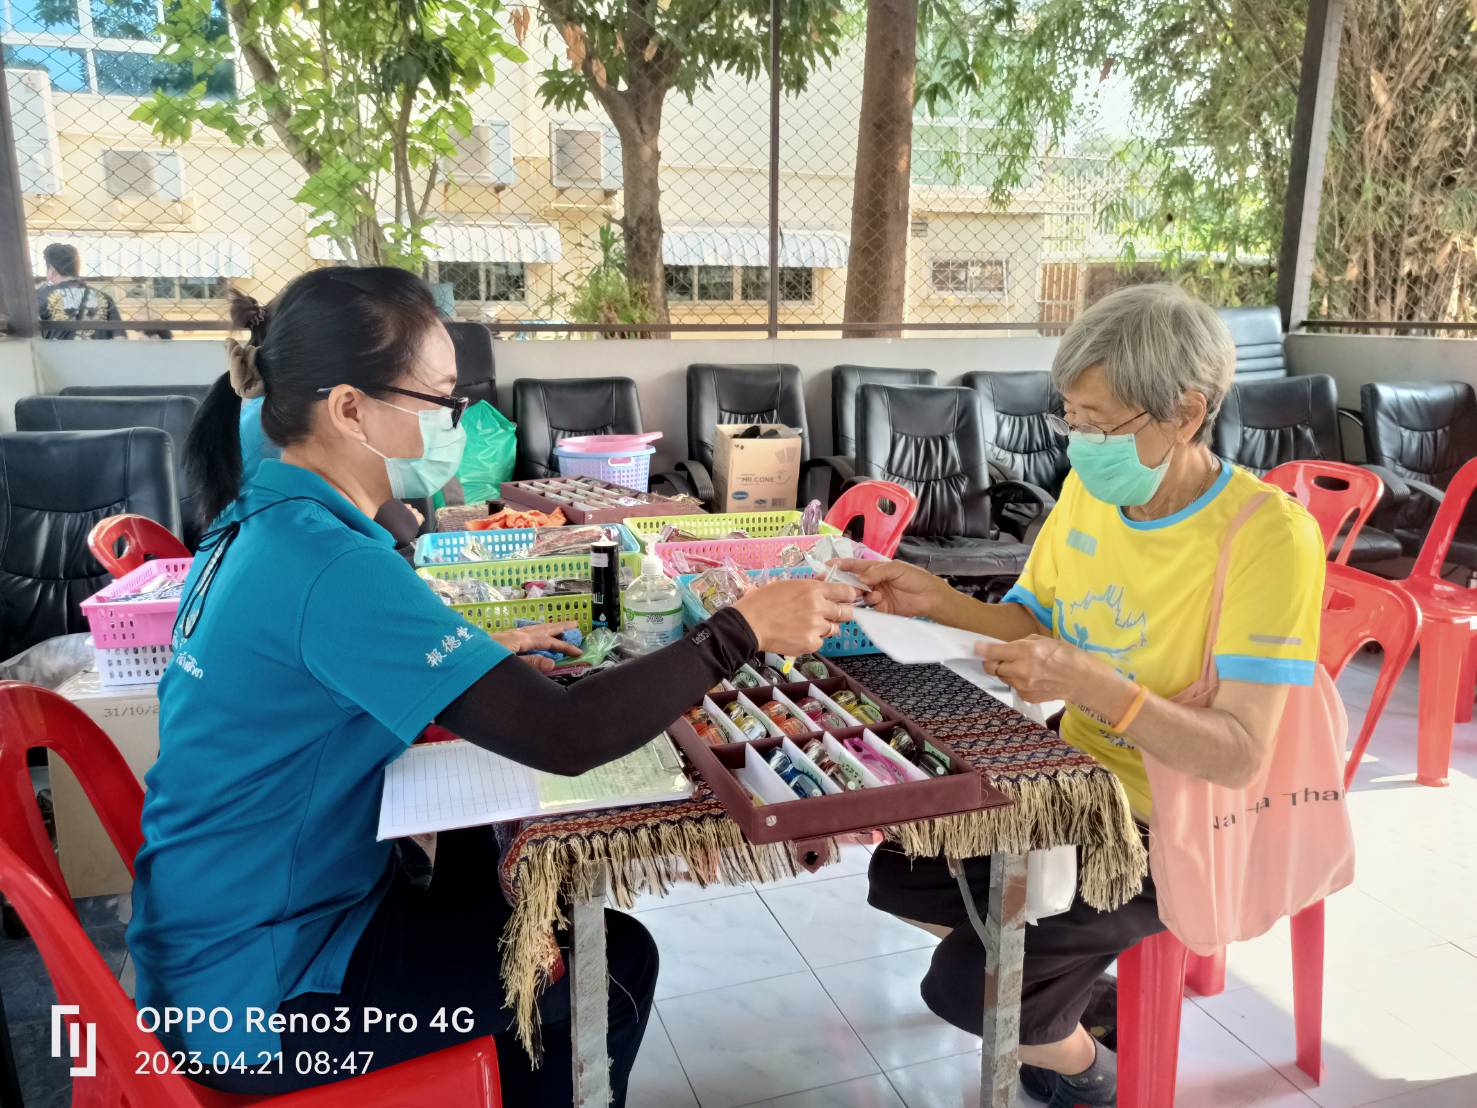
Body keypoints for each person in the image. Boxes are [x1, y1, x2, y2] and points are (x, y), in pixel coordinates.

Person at [125, 266, 858, 1105]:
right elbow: (566, 736)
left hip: (239, 935)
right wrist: (738, 630)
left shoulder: (268, 519)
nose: (458, 422)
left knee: (497, 879)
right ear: (350, 409)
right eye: (440, 400)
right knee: (610, 968)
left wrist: (475, 657)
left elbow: (325, 674)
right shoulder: (325, 561)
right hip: (267, 999)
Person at [837, 284, 1325, 1108]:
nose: (1080, 442)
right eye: (1071, 416)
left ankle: (1089, 1070)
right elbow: (1029, 621)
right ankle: (1062, 996)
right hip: (1070, 780)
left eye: (1100, 422)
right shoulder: (1088, 495)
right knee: (901, 872)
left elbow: (1239, 755)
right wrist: (937, 600)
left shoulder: (1265, 536)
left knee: (966, 987)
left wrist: (1097, 687)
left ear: (1186, 412)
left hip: (1172, 820)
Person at [35, 243, 122, 340]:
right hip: (98, 349)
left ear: (52, 270)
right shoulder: (104, 297)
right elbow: (120, 338)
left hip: (56, 349)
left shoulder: (40, 296)